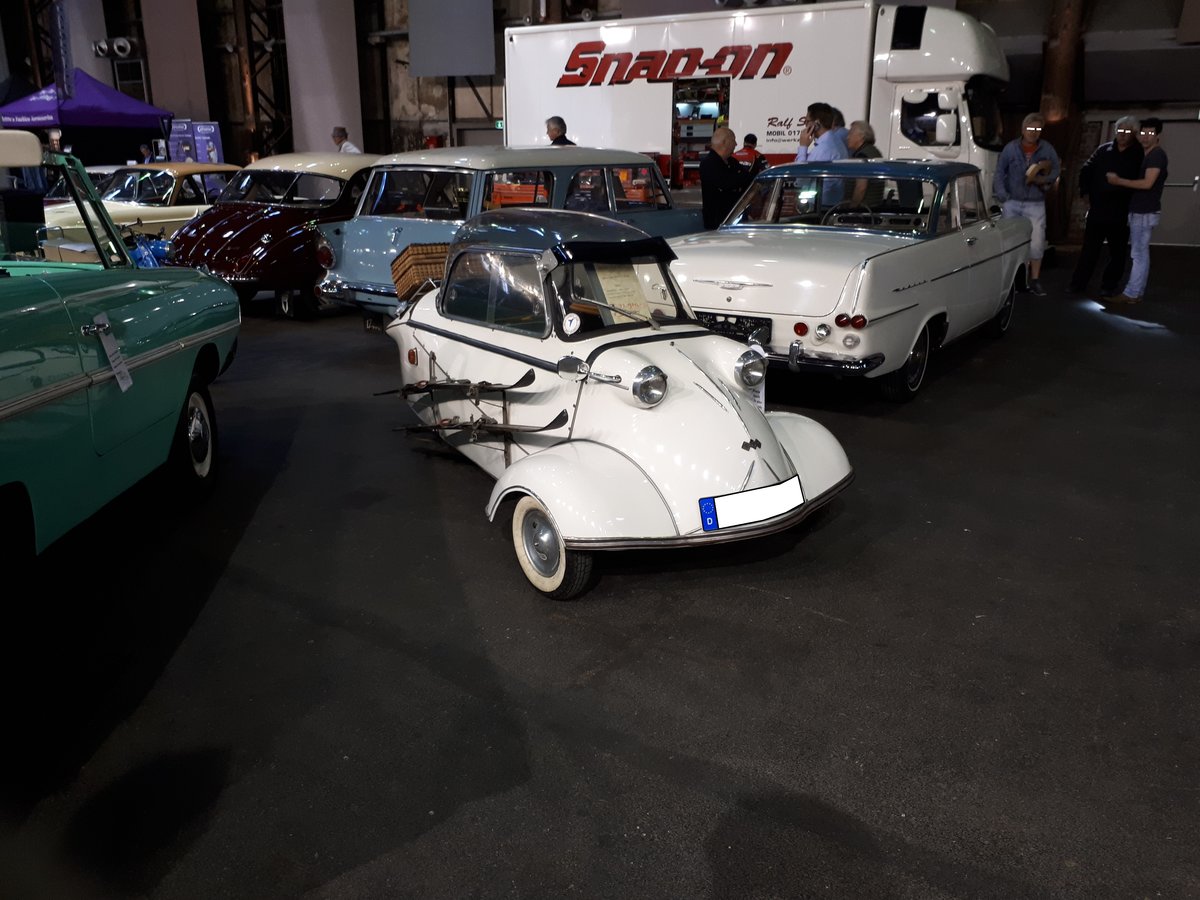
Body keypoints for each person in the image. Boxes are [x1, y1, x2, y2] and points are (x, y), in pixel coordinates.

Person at [1068, 116, 1143, 298]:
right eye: (1119, 131)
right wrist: (1086, 193)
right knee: (1089, 249)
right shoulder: (1104, 150)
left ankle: (1108, 286)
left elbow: (1139, 180)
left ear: (1134, 133)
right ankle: (1078, 284)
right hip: (1098, 207)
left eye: (1127, 132)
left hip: (1120, 210)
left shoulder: (1138, 154)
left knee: (1117, 252)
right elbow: (1086, 169)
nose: (1122, 135)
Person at [993, 112, 1060, 296]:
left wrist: (1043, 180)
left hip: (1035, 203)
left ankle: (1035, 280)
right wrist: (1003, 195)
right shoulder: (1010, 148)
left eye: (1038, 129)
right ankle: (1010, 282)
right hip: (1012, 202)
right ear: (1023, 129)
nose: (1033, 132)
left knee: (1037, 242)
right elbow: (999, 172)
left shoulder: (1047, 149)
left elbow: (1055, 169)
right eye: (1030, 128)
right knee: (1009, 243)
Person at [1106, 117, 1168, 304]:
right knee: (1141, 253)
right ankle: (1136, 292)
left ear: (1157, 136)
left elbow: (1147, 183)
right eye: (1143, 133)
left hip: (1144, 211)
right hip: (1142, 210)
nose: (1146, 137)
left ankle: (1132, 293)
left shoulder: (1156, 155)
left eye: (1150, 133)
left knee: (1138, 254)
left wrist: (1119, 181)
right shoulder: (1147, 154)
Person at [700, 126, 754, 229]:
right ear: (725, 142)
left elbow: (748, 178)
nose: (736, 144)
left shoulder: (732, 162)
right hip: (717, 224)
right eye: (733, 140)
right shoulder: (708, 164)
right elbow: (726, 183)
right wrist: (739, 179)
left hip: (735, 219)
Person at [846, 121, 884, 207]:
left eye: (850, 133)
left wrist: (851, 207)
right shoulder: (874, 152)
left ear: (861, 136)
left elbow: (861, 188)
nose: (847, 137)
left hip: (863, 208)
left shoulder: (862, 156)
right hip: (873, 206)